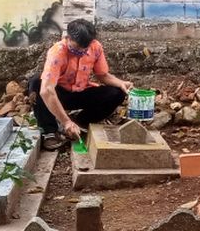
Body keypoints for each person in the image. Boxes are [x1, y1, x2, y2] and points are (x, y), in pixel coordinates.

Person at [28, 19, 132, 151]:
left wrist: (121, 83)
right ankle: (50, 131)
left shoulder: (95, 47)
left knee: (117, 93)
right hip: (58, 95)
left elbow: (103, 75)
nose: (81, 52)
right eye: (77, 49)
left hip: (81, 92)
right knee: (36, 83)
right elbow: (47, 90)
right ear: (68, 38)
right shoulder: (57, 52)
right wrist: (65, 123)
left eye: (85, 49)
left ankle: (80, 121)